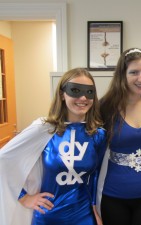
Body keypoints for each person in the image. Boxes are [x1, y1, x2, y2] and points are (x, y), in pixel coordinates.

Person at [0, 68, 107, 225]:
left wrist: (96, 209)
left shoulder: (98, 135)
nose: (83, 97)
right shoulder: (44, 129)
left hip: (83, 215)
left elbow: (96, 176)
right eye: (75, 90)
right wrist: (23, 197)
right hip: (48, 215)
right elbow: (4, 159)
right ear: (62, 94)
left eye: (89, 92)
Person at [99, 48, 141, 225]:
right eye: (134, 72)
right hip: (114, 196)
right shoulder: (105, 106)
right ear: (122, 75)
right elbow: (92, 149)